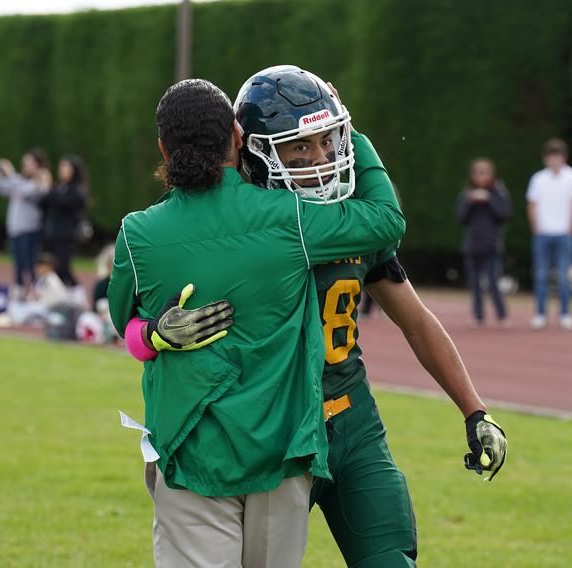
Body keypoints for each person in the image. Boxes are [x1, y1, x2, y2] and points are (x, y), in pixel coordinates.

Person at [125, 66, 508, 567]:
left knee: (390, 559)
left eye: (328, 140)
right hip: (273, 430)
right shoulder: (229, 223)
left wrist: (473, 408)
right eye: (300, 147)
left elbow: (415, 319)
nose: (322, 158)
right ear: (251, 147)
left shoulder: (346, 223)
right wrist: (153, 334)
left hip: (349, 419)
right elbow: (134, 327)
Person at [107, 75, 405, 568]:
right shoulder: (289, 216)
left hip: (193, 452)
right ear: (237, 135)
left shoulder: (137, 235)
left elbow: (132, 332)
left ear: (163, 146)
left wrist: (157, 334)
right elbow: (385, 219)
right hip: (283, 450)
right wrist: (347, 129)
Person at [526, 138, 572, 330]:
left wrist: (571, 227)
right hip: (543, 234)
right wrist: (536, 227)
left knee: (563, 276)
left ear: (563, 157)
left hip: (564, 233)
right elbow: (532, 204)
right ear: (546, 159)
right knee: (541, 275)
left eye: (556, 156)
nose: (553, 160)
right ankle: (540, 313)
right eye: (550, 157)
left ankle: (565, 314)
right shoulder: (538, 179)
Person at [0, 148, 51, 296]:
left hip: (30, 230)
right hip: (15, 229)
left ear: (37, 165)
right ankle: (20, 292)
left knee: (31, 265)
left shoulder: (41, 181)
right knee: (18, 265)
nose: (25, 166)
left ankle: (36, 293)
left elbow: (31, 191)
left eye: (28, 163)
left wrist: (11, 175)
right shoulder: (19, 181)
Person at [457, 158, 511, 326]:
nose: (481, 176)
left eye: (484, 173)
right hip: (472, 246)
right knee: (474, 284)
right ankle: (478, 316)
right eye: (478, 173)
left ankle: (501, 314)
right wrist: (470, 202)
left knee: (493, 281)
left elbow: (505, 214)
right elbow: (460, 217)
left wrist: (489, 200)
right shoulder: (467, 193)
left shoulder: (498, 192)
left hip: (492, 246)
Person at [39, 155, 88, 287]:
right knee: (51, 268)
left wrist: (50, 187)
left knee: (63, 268)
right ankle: (57, 295)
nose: (61, 170)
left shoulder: (77, 189)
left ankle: (77, 293)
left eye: (65, 167)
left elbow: (66, 202)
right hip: (52, 234)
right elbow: (43, 202)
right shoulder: (60, 187)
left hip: (66, 235)